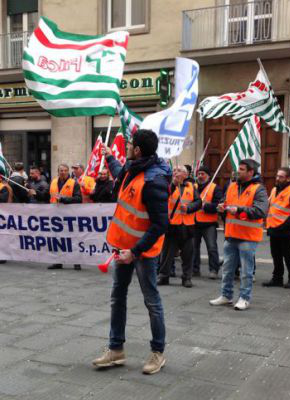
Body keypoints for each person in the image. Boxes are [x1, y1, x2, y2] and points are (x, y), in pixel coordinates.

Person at [92, 129, 170, 375]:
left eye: (130, 145)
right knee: (118, 297)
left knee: (152, 301)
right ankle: (116, 349)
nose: (126, 148)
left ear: (137, 150)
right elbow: (119, 174)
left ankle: (158, 353)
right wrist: (109, 157)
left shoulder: (153, 181)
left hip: (141, 253)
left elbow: (160, 225)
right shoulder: (132, 168)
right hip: (122, 249)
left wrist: (134, 252)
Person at [209, 159, 268, 310]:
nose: (238, 171)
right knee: (227, 269)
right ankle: (226, 296)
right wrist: (222, 207)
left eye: (242, 169)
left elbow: (261, 211)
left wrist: (239, 210)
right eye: (238, 168)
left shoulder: (259, 189)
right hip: (231, 234)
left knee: (246, 271)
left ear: (250, 172)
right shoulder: (232, 186)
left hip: (248, 237)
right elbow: (225, 202)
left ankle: (244, 298)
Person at [157, 165, 201, 288]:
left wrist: (188, 208)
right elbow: (163, 196)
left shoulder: (192, 187)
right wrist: (173, 184)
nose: (176, 172)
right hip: (172, 225)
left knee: (188, 254)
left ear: (186, 175)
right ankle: (163, 276)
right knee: (167, 254)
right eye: (174, 170)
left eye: (179, 171)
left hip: (187, 226)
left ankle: (187, 278)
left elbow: (198, 203)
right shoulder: (168, 186)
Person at [262, 167, 290, 289]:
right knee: (276, 255)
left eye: (281, 177)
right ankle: (277, 279)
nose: (278, 178)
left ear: (288, 178)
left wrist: (284, 226)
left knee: (287, 255)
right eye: (277, 176)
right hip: (273, 228)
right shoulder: (275, 189)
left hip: (286, 230)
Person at [48, 164, 82, 270]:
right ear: (58, 171)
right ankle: (58, 262)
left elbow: (78, 199)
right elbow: (48, 196)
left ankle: (76, 262)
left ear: (68, 172)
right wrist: (37, 194)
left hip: (69, 215)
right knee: (57, 238)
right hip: (56, 215)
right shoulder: (53, 182)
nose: (63, 172)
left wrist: (63, 199)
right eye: (61, 170)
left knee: (72, 238)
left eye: (65, 170)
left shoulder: (74, 183)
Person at [192, 166, 223, 279]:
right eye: (199, 173)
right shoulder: (193, 187)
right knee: (194, 248)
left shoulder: (215, 188)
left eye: (203, 174)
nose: (200, 176)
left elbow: (218, 206)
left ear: (208, 176)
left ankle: (214, 269)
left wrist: (205, 206)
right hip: (194, 222)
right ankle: (195, 269)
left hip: (208, 223)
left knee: (211, 247)